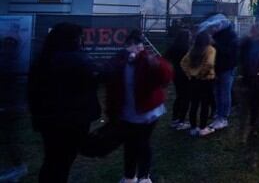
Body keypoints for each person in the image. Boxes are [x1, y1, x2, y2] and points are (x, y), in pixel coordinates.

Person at [28, 23, 100, 183]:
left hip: (48, 121)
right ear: (72, 39)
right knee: (63, 162)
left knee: (51, 160)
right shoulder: (76, 59)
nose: (82, 41)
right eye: (79, 38)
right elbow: (99, 75)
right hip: (70, 122)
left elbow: (32, 92)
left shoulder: (43, 59)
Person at [104, 31, 173, 183]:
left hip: (147, 113)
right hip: (127, 112)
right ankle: (129, 176)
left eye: (137, 45)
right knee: (129, 144)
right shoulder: (118, 62)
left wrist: (155, 63)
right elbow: (110, 85)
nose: (134, 48)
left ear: (142, 46)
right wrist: (111, 112)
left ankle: (144, 176)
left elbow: (166, 76)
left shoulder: (147, 60)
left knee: (142, 143)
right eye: (130, 45)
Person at [180, 33, 216, 137]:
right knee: (205, 104)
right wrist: (202, 73)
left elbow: (183, 62)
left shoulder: (193, 49)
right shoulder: (210, 49)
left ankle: (193, 128)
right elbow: (209, 63)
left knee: (194, 104)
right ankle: (203, 128)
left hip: (194, 80)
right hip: (206, 80)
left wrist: (189, 74)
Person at [209, 23, 238, 131]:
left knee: (225, 93)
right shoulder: (216, 35)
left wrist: (214, 44)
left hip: (227, 68)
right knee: (217, 92)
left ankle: (224, 118)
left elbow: (228, 52)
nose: (215, 27)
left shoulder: (232, 36)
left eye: (217, 25)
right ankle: (218, 113)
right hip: (216, 68)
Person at [163, 30, 191, 130]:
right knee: (186, 98)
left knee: (179, 96)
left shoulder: (173, 47)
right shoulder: (187, 49)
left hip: (176, 73)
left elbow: (164, 58)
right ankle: (181, 121)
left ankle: (174, 119)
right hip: (186, 74)